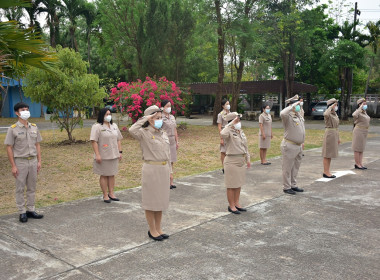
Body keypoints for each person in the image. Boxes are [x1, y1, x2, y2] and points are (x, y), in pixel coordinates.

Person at [129, 105, 171, 241]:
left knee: (161, 202)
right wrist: (146, 118)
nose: (160, 120)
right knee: (151, 202)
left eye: (160, 117)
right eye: (156, 118)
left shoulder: (163, 133)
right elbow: (132, 130)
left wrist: (170, 171)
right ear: (150, 119)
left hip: (164, 169)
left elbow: (168, 154)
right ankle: (152, 230)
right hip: (151, 170)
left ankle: (159, 228)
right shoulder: (144, 132)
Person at [4, 102, 43, 223]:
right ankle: (22, 212)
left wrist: (39, 161)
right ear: (17, 113)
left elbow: (37, 145)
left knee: (32, 187)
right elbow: (9, 147)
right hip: (20, 162)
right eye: (22, 109)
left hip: (33, 161)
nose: (25, 111)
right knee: (20, 188)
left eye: (27, 109)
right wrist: (13, 166)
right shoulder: (13, 129)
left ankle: (30, 210)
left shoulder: (34, 127)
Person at [220, 112, 251, 214]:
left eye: (239, 120)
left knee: (238, 184)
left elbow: (245, 146)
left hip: (241, 160)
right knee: (231, 185)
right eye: (237, 120)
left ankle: (237, 203)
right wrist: (231, 124)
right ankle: (231, 205)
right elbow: (222, 134)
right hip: (231, 161)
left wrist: (248, 159)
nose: (239, 122)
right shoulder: (228, 131)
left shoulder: (240, 131)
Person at [90, 108, 123, 203]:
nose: (108, 116)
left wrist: (120, 152)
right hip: (103, 155)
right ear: (102, 115)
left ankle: (111, 193)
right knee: (104, 175)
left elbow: (118, 139)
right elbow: (94, 141)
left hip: (114, 154)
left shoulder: (114, 126)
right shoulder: (97, 127)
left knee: (112, 174)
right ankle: (105, 195)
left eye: (110, 114)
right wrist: (97, 155)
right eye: (106, 114)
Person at [280, 95, 305, 195]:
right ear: (291, 106)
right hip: (289, 145)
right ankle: (286, 187)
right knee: (287, 167)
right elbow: (282, 112)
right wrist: (293, 104)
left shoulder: (298, 114)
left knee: (295, 167)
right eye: (297, 104)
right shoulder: (287, 116)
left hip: (298, 145)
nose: (298, 106)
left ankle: (293, 185)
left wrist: (299, 103)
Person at [161, 99, 179, 189]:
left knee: (172, 161)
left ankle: (171, 182)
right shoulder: (160, 117)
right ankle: (167, 181)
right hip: (165, 140)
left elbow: (175, 129)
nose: (169, 108)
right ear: (162, 107)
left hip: (172, 140)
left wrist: (177, 141)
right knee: (166, 161)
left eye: (170, 106)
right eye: (167, 106)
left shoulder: (172, 117)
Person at [322, 98, 340, 178]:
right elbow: (325, 114)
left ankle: (327, 171)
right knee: (327, 154)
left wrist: (338, 138)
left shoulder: (335, 114)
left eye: (336, 105)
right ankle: (326, 172)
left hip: (334, 133)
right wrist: (330, 107)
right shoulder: (328, 113)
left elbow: (337, 126)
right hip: (329, 133)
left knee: (330, 154)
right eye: (335, 105)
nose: (336, 106)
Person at [352, 98, 370, 170]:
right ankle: (357, 164)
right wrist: (360, 108)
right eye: (363, 104)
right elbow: (354, 115)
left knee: (361, 148)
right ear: (359, 104)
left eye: (365, 103)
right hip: (359, 131)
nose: (365, 105)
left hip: (364, 131)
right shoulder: (358, 112)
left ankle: (360, 163)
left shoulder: (364, 112)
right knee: (357, 148)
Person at [217, 99, 230, 173]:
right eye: (226, 104)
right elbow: (219, 127)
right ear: (223, 106)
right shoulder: (221, 114)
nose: (228, 105)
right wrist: (221, 138)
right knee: (223, 151)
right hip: (224, 133)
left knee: (230, 151)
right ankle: (224, 167)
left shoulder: (231, 114)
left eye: (228, 104)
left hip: (230, 134)